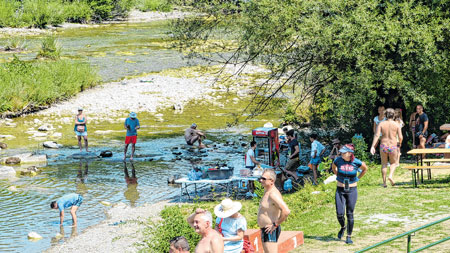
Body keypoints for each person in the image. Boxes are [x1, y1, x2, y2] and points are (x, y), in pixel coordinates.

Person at [331, 144, 368, 244]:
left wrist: (358, 178)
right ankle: (343, 227)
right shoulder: (338, 160)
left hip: (352, 190)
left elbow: (365, 169)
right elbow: (333, 167)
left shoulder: (356, 162)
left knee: (350, 213)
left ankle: (348, 236)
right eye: (341, 152)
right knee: (339, 213)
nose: (341, 153)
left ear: (349, 153)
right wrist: (337, 175)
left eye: (343, 152)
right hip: (340, 189)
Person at [257, 169, 291, 253]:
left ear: (271, 181)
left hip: (270, 229)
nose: (261, 180)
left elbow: (286, 211)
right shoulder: (267, 191)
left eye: (264, 179)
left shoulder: (273, 194)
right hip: (266, 229)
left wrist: (275, 224)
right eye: (260, 178)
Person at [370, 108, 403, 187]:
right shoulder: (396, 124)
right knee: (393, 163)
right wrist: (400, 143)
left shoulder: (381, 124)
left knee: (384, 164)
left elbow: (377, 135)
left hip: (383, 145)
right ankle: (390, 176)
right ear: (393, 115)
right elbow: (400, 136)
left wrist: (373, 146)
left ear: (385, 115)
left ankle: (384, 183)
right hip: (393, 145)